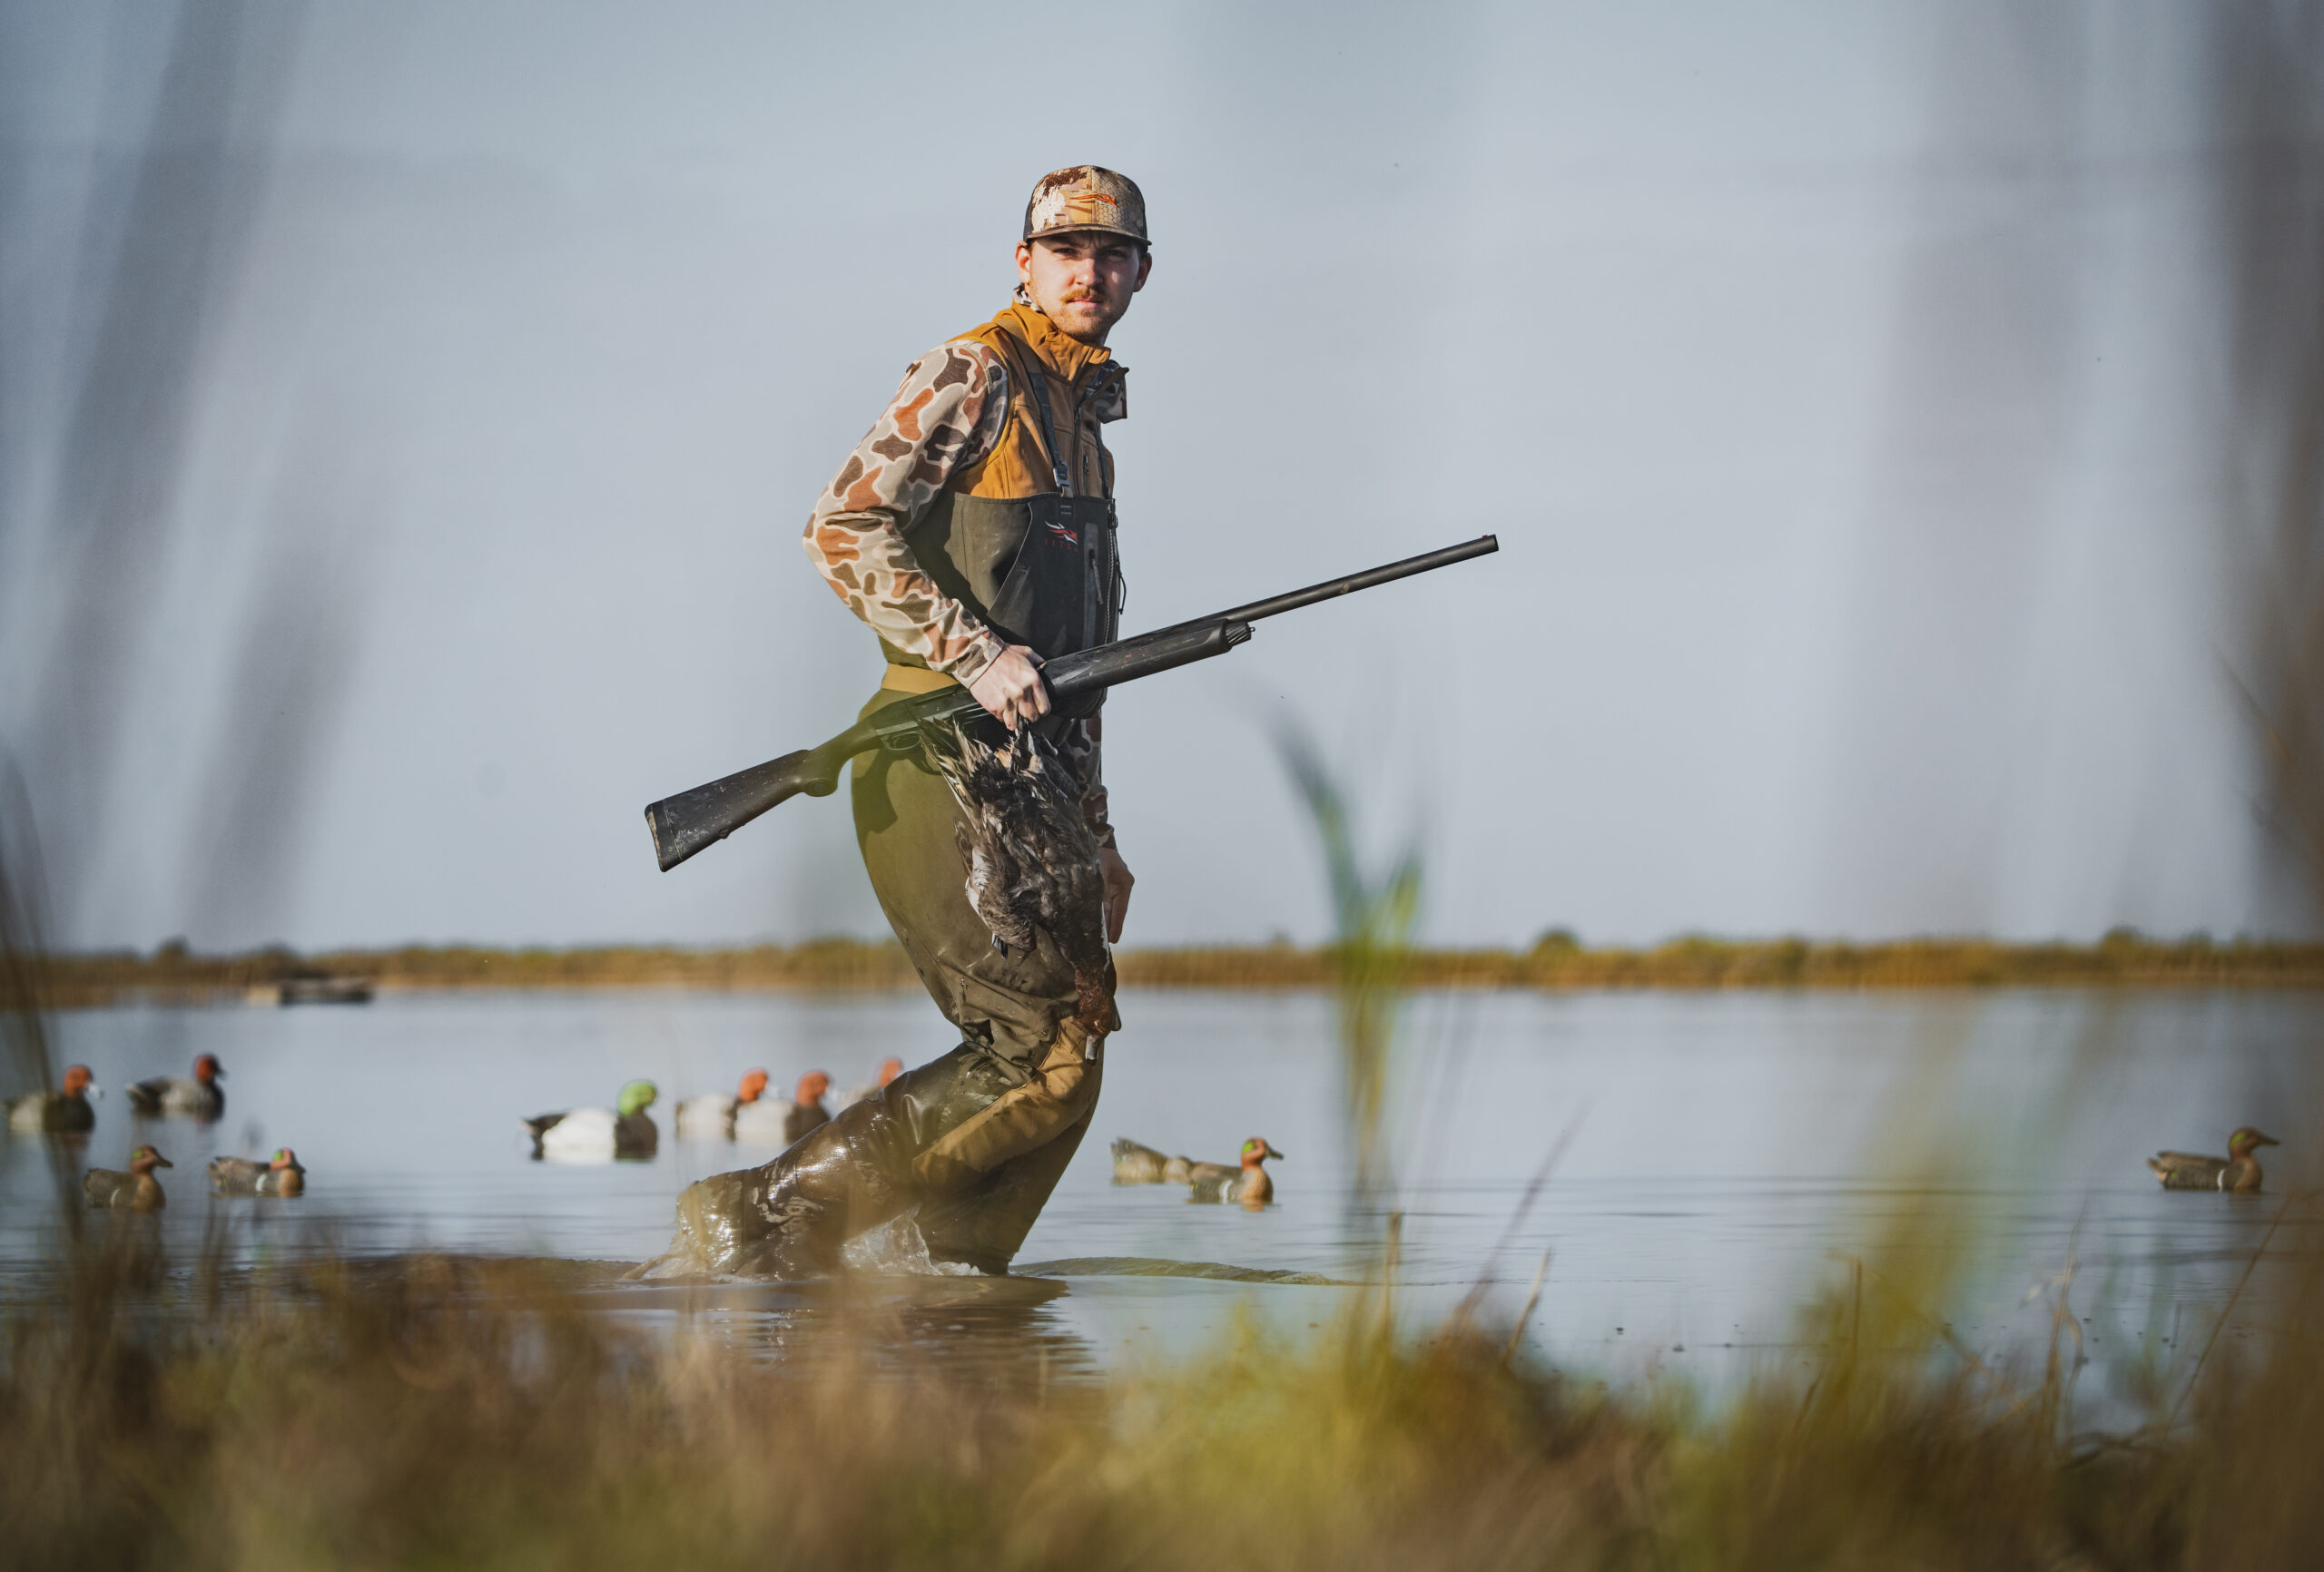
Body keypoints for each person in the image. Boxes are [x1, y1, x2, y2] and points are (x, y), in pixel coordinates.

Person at [653, 166, 1150, 1278]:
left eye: (1111, 253)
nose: (1088, 271)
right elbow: (840, 527)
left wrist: (1100, 832)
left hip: (1033, 785)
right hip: (933, 760)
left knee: (1074, 1055)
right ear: (1023, 263)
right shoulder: (974, 372)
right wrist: (973, 652)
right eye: (1064, 250)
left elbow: (1076, 677)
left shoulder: (1086, 429)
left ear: (1140, 274)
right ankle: (752, 1215)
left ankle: (941, 1292)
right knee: (1040, 1054)